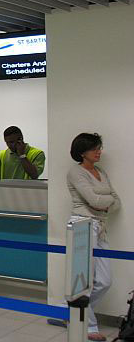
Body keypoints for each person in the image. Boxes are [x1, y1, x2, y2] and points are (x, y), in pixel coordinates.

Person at [67, 133, 120, 341]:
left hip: (100, 226)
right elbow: (92, 199)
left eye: (99, 147)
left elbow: (115, 201)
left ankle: (72, 311)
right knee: (83, 281)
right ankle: (88, 325)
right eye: (94, 148)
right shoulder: (75, 172)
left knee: (105, 281)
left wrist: (101, 202)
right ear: (82, 152)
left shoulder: (100, 171)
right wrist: (101, 202)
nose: (99, 151)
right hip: (82, 225)